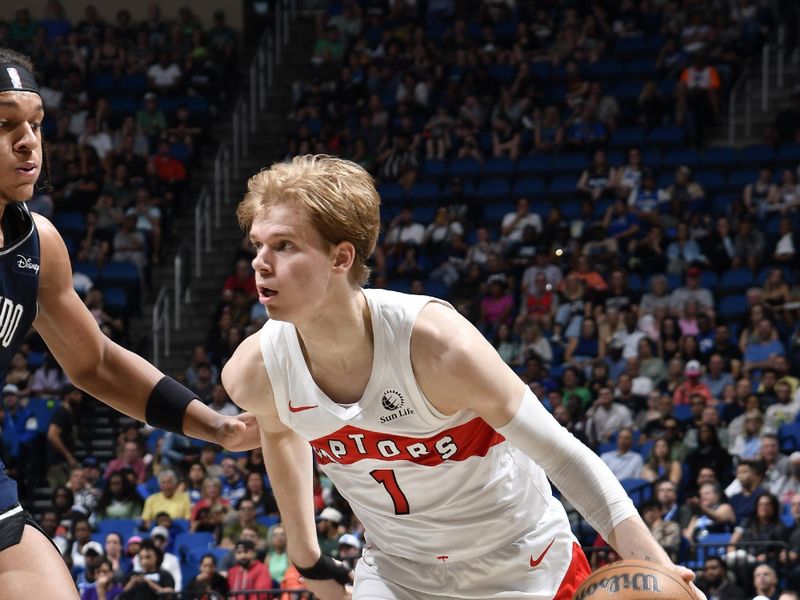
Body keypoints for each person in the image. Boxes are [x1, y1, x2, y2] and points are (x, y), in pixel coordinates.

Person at [221, 155, 703, 599]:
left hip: (523, 563)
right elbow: (280, 432)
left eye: (284, 245)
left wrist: (656, 566)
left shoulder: (438, 347)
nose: (260, 262)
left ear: (341, 257)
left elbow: (563, 456)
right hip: (398, 573)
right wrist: (309, 560)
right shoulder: (254, 372)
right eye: (258, 245)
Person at [0, 49, 259, 600]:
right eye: (4, 124)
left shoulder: (37, 244)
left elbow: (94, 363)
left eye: (36, 125)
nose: (28, 142)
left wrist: (214, 428)